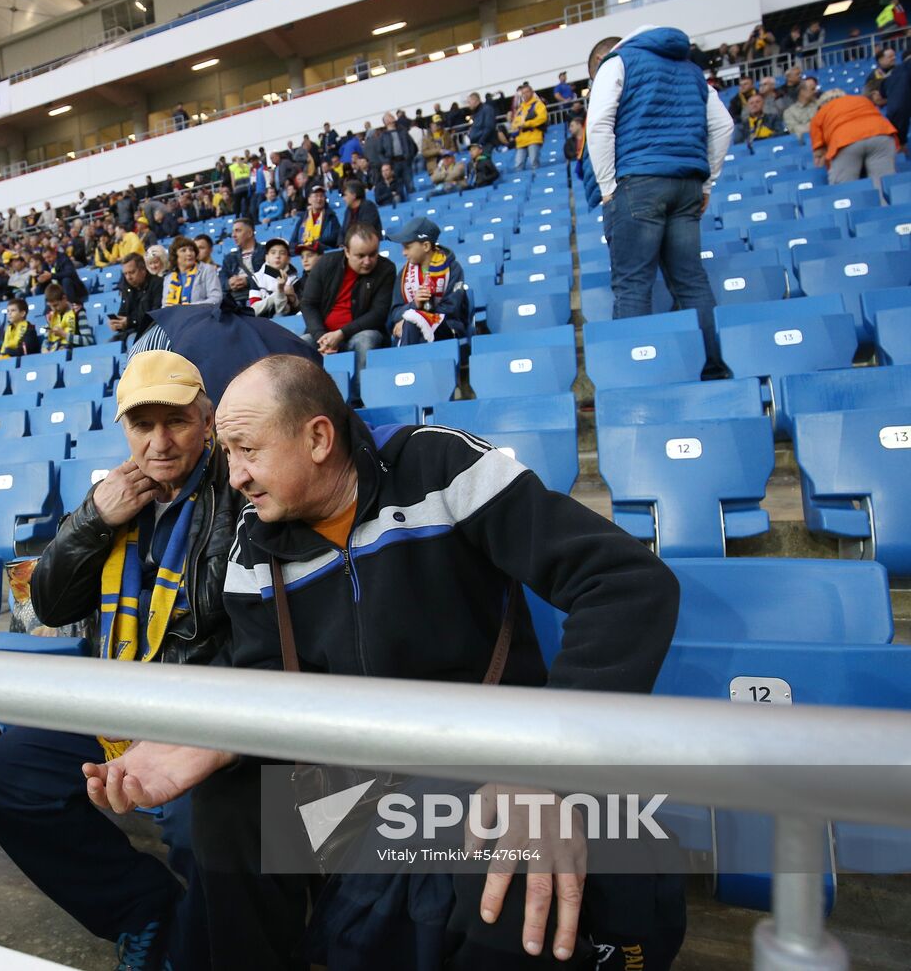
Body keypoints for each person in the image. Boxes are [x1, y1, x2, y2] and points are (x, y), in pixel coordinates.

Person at [82, 355, 686, 971]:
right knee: (231, 810)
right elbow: (270, 681)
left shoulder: (438, 465)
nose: (233, 476)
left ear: (317, 437)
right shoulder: (254, 540)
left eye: (245, 450)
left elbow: (626, 585)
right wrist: (218, 742)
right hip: (356, 785)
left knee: (489, 862)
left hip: (490, 764)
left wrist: (544, 765)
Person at [0, 352, 238, 970]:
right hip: (117, 701)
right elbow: (51, 603)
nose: (159, 442)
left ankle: (203, 949)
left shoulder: (240, 491)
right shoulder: (114, 495)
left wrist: (198, 725)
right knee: (6, 775)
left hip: (207, 712)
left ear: (207, 419)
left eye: (176, 421)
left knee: (203, 828)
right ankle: (143, 910)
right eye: (143, 426)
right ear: (124, 429)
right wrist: (92, 521)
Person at [582, 27, 734, 379]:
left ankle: (637, 378)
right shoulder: (691, 69)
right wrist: (707, 182)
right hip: (687, 185)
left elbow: (599, 122)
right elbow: (724, 125)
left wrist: (607, 186)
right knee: (691, 281)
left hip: (638, 183)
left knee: (633, 284)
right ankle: (713, 368)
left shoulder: (617, 63)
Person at [297, 222, 396, 370]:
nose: (367, 261)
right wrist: (321, 337)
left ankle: (361, 393)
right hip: (323, 335)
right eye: (361, 256)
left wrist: (341, 334)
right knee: (300, 344)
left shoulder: (386, 269)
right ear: (347, 251)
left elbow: (378, 314)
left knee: (366, 339)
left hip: (359, 333)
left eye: (373, 254)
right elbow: (308, 304)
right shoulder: (325, 263)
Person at [386, 217, 468, 344]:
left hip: (447, 329)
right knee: (410, 323)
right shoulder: (403, 274)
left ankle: (409, 362)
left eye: (407, 247)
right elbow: (395, 314)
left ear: (425, 246)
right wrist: (415, 305)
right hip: (411, 329)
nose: (403, 253)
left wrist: (415, 316)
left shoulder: (453, 268)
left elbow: (452, 309)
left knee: (411, 322)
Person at [810, 89, 902, 186]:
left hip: (846, 140)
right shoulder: (862, 100)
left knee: (845, 189)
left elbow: (819, 152)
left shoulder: (821, 112)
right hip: (881, 135)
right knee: (883, 184)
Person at [112, 253, 164, 343]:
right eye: (125, 274)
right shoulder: (126, 288)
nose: (128, 277)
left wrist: (130, 321)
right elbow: (123, 313)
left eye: (132, 272)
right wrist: (117, 323)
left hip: (151, 332)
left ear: (143, 270)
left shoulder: (158, 284)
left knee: (132, 340)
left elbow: (155, 314)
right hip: (129, 332)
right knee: (110, 345)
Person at [218, 218, 266, 309]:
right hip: (235, 299)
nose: (233, 235)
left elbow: (269, 275)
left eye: (238, 231)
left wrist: (247, 281)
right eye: (233, 232)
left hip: (259, 296)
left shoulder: (265, 251)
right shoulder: (229, 257)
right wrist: (229, 283)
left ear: (250, 233)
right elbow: (221, 279)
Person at [247, 238, 299, 317]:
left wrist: (292, 298)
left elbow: (283, 312)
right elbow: (254, 310)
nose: (277, 256)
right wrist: (279, 292)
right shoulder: (257, 278)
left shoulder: (295, 280)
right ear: (266, 257)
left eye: (282, 253)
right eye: (273, 252)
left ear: (288, 259)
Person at [42, 284, 95, 352]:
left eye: (56, 305)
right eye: (51, 306)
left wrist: (64, 334)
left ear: (64, 298)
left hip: (75, 354)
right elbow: (46, 341)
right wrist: (44, 348)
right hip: (56, 355)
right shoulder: (51, 316)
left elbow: (88, 341)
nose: (54, 309)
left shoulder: (78, 312)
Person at [289, 184, 341, 250]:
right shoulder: (303, 219)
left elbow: (335, 237)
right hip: (304, 252)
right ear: (309, 200)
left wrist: (315, 243)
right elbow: (292, 242)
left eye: (322, 196)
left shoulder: (331, 217)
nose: (319, 199)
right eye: (316, 196)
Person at [509, 83, 548, 170]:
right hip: (521, 141)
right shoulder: (520, 108)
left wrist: (526, 124)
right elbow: (515, 123)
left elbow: (542, 118)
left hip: (534, 138)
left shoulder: (538, 104)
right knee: (518, 165)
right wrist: (517, 125)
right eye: (523, 93)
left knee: (534, 162)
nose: (525, 95)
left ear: (532, 92)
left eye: (527, 92)